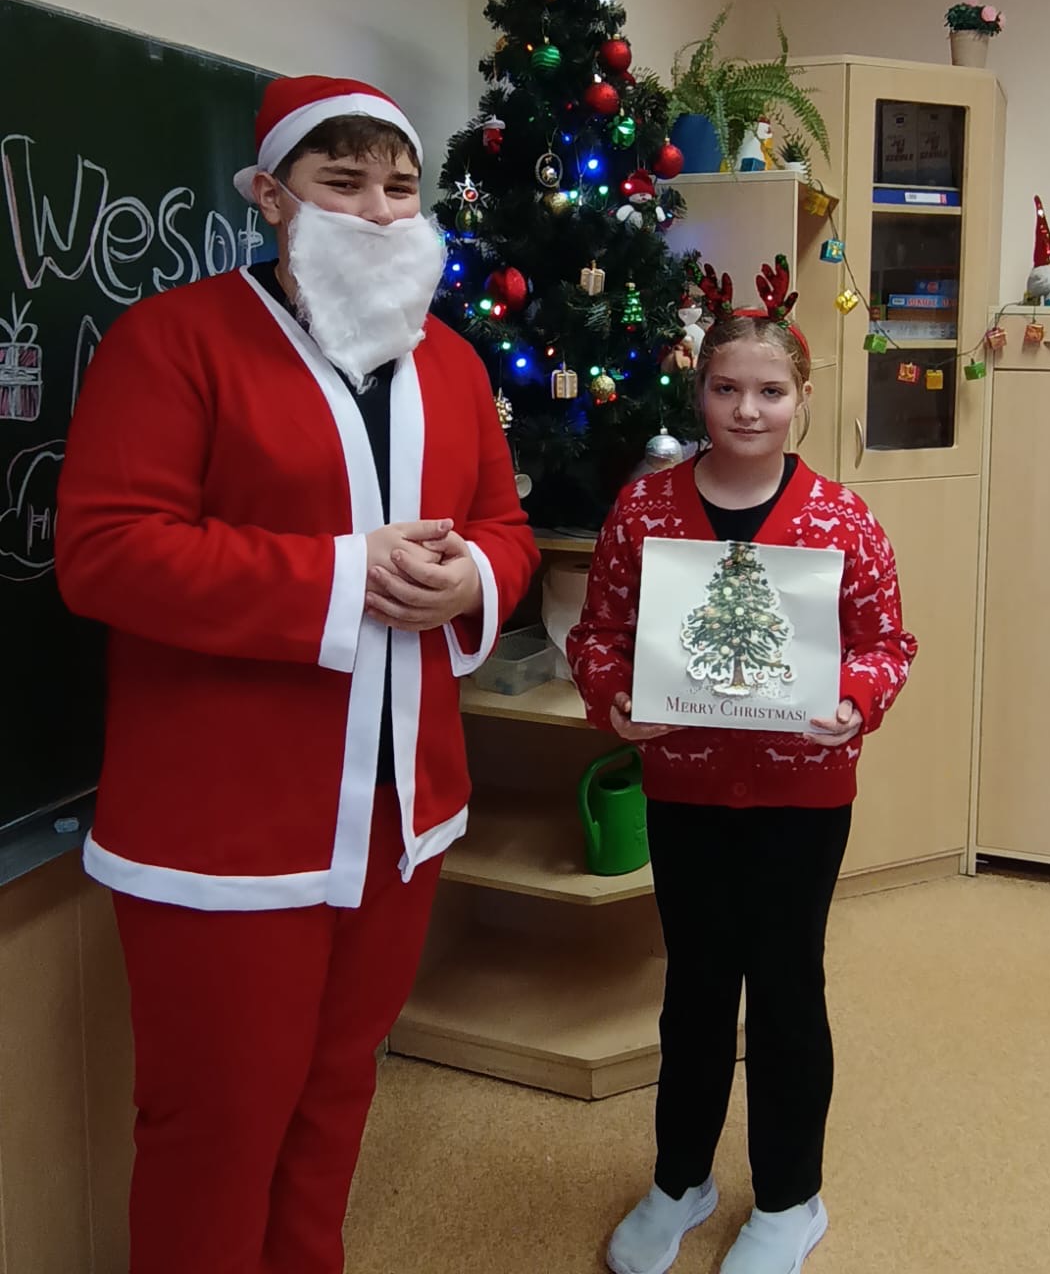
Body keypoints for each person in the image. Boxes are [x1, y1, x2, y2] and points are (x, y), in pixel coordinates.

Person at [55, 74, 540, 1274]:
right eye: (343, 182)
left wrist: (474, 578)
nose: (379, 209)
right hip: (225, 824)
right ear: (273, 198)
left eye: (400, 186)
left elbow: (506, 530)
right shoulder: (171, 342)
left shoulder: (452, 364)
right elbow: (107, 551)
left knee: (334, 1098)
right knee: (216, 1128)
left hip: (399, 813)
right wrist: (342, 574)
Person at [567, 259, 917, 1274]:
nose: (748, 409)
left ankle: (790, 1197)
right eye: (727, 388)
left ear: (802, 398)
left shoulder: (842, 519)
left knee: (788, 987)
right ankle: (682, 1178)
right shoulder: (645, 511)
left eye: (770, 390)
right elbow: (599, 634)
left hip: (801, 798)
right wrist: (615, 697)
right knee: (696, 985)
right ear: (701, 392)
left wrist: (853, 701)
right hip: (685, 789)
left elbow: (887, 643)